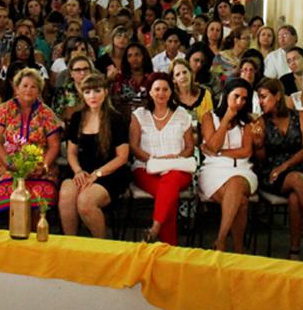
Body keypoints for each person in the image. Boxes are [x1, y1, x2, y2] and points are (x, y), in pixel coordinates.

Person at [253, 78, 303, 259]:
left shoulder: (300, 116)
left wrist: (285, 165)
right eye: (259, 97)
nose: (260, 101)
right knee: (295, 179)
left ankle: (294, 251)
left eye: (264, 96)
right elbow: (262, 159)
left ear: (277, 96)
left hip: (300, 167)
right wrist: (258, 144)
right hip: (273, 173)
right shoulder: (261, 122)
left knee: (295, 197)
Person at [58, 72, 131, 239]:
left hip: (108, 174)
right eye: (88, 92)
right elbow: (71, 152)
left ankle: (101, 245)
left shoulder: (116, 119)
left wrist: (96, 174)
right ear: (82, 94)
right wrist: (78, 171)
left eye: (97, 91)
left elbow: (122, 157)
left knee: (85, 201)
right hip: (81, 170)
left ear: (105, 92)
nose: (92, 96)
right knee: (67, 195)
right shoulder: (77, 117)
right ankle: (70, 244)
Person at [129, 73, 195, 245]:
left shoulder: (182, 115)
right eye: (157, 89)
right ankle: (169, 247)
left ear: (171, 92)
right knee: (168, 195)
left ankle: (155, 229)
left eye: (165, 89)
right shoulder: (139, 115)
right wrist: (155, 159)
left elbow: (190, 148)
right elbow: (134, 147)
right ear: (150, 92)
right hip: (146, 167)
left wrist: (175, 157)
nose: (161, 93)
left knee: (170, 182)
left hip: (177, 168)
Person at [0, 68, 61, 213]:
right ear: (16, 89)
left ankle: (36, 227)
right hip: (8, 165)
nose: (29, 90)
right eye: (25, 86)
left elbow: (54, 145)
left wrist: (43, 166)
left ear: (39, 91)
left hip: (39, 166)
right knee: (10, 192)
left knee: (41, 196)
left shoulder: (46, 113)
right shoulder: (4, 110)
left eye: (33, 87)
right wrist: (10, 164)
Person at [199, 78, 258, 253]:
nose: (240, 102)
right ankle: (239, 251)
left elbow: (246, 151)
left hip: (243, 169)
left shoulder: (248, 121)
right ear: (226, 96)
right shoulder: (209, 117)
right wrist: (226, 119)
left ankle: (221, 240)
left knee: (237, 180)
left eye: (244, 99)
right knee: (241, 202)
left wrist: (219, 152)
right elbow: (213, 145)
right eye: (236, 96)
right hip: (213, 170)